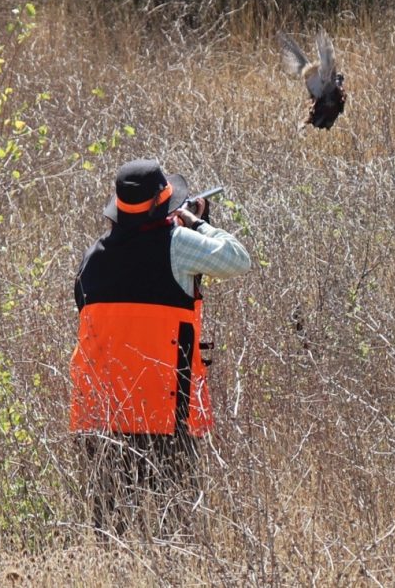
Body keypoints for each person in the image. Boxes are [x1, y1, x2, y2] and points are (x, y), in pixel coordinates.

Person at [70, 159, 251, 537]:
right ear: (163, 206)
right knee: (176, 536)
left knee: (111, 535)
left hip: (101, 418)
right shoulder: (179, 244)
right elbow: (237, 258)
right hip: (167, 416)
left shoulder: (91, 258)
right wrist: (196, 222)